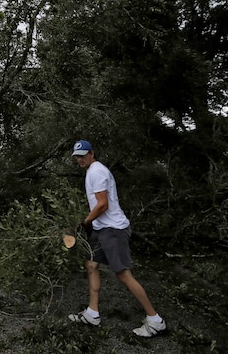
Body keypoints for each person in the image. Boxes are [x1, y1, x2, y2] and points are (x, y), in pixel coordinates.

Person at [68, 139, 166, 338]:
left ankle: (155, 320)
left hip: (113, 230)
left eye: (83, 154)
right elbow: (97, 201)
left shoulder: (97, 171)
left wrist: (85, 221)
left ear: (92, 153)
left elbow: (102, 204)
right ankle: (92, 314)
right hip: (101, 228)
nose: (80, 159)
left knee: (122, 274)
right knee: (92, 265)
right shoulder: (91, 172)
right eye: (77, 156)